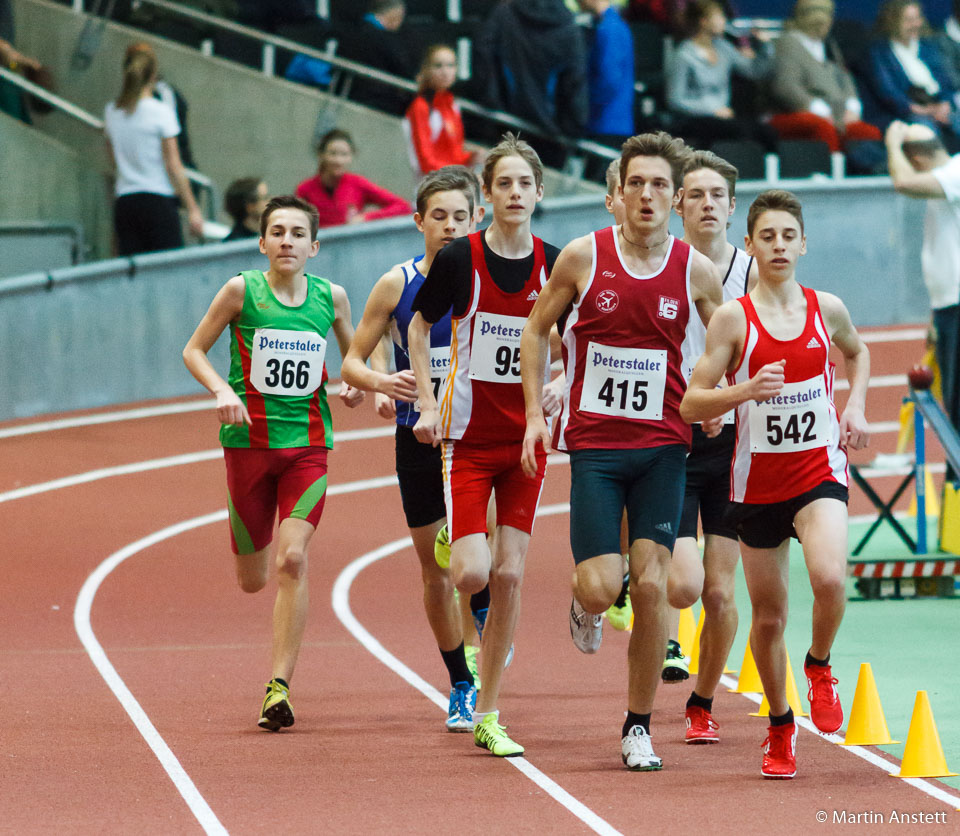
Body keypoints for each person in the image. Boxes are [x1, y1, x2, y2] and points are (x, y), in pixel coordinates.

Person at [520, 132, 723, 771]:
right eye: (637, 183)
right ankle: (585, 601)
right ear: (618, 193)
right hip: (597, 448)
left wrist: (718, 396)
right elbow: (535, 329)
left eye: (660, 185)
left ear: (676, 198)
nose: (647, 195)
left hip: (664, 446)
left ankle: (638, 726)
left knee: (655, 585)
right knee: (602, 586)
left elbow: (728, 338)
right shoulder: (583, 257)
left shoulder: (694, 269)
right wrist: (534, 415)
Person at [679, 188, 870, 778]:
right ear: (750, 245)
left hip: (817, 472)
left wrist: (856, 406)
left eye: (789, 236)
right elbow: (690, 403)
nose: (779, 246)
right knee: (768, 618)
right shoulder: (734, 318)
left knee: (830, 577)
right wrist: (743, 391)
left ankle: (819, 664)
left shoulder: (825, 308)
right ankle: (781, 726)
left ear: (804, 244)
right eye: (768, 236)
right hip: (757, 483)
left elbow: (858, 353)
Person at [182, 194, 364, 731]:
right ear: (262, 243)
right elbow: (193, 350)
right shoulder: (241, 290)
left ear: (314, 246)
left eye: (297, 233)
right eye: (278, 232)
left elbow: (355, 356)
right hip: (247, 448)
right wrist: (221, 390)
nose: (287, 241)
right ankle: (255, 560)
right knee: (252, 580)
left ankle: (278, 687)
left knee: (293, 559)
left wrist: (358, 384)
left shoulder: (332, 297)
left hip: (308, 448)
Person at [408, 134, 561, 757]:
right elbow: (419, 326)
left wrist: (559, 386)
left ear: (539, 193)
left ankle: (489, 712)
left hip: (526, 442)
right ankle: (457, 535)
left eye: (525, 184)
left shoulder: (556, 265)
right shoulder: (460, 259)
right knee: (471, 572)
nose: (515, 193)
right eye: (504, 184)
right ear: (487, 197)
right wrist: (425, 400)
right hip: (467, 440)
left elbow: (580, 341)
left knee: (509, 574)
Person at [340, 166, 489, 731]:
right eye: (439, 216)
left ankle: (484, 612)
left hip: (479, 435)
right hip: (420, 437)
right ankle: (460, 683)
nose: (450, 226)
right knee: (435, 570)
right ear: (419, 221)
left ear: (477, 219)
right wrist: (384, 382)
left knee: (485, 557)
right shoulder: (396, 284)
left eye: (460, 216)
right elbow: (352, 362)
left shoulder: (492, 278)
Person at [662, 150, 759, 737]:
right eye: (695, 195)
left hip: (731, 449)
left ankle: (702, 701)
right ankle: (637, 580)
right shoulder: (661, 265)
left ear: (731, 205)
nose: (706, 205)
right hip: (672, 439)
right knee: (683, 585)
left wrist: (728, 398)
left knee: (720, 594)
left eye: (716, 195)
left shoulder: (753, 274)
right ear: (679, 204)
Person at [885, 121, 960, 445]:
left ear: (915, 159)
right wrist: (935, 316)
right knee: (954, 403)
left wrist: (892, 143)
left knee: (958, 405)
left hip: (956, 307)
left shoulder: (956, 173)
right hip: (948, 307)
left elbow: (903, 183)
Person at [104, 47, 204, 256]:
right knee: (167, 268)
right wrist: (192, 208)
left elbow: (113, 160)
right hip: (158, 200)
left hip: (125, 201)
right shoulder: (161, 112)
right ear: (153, 75)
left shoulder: (112, 111)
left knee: (132, 269)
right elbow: (173, 165)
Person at [769, 0, 884, 162]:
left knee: (867, 132)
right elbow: (785, 86)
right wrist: (817, 109)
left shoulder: (829, 45)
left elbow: (844, 77)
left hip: (837, 113)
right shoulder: (788, 43)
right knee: (824, 128)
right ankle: (830, 171)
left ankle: (869, 171)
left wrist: (852, 106)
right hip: (797, 112)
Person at [665, 0, 777, 151]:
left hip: (723, 117)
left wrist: (765, 47)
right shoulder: (683, 55)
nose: (724, 21)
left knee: (766, 132)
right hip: (695, 117)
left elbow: (754, 71)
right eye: (720, 17)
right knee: (740, 131)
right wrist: (712, 110)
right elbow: (675, 100)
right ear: (704, 21)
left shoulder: (724, 48)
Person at [473, 0, 588, 141]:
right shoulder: (569, 26)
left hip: (506, 122)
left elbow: (483, 53)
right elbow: (575, 79)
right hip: (552, 132)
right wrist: (573, 125)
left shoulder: (504, 13)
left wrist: (491, 101)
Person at [862, 1, 960, 150]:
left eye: (917, 18)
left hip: (938, 107)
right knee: (924, 131)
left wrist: (944, 105)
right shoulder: (880, 53)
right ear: (893, 21)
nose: (915, 24)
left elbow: (946, 83)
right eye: (908, 20)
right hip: (906, 113)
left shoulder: (928, 47)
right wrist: (925, 111)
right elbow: (889, 93)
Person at [296, 128, 411, 228]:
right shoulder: (305, 190)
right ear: (321, 155)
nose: (338, 161)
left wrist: (366, 217)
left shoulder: (357, 183)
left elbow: (403, 206)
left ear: (351, 156)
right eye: (333, 154)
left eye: (344, 154)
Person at [403, 45, 478, 180]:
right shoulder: (421, 106)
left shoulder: (452, 105)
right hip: (429, 185)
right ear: (426, 70)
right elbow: (425, 162)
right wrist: (459, 173)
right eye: (438, 66)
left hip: (450, 181)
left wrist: (471, 157)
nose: (445, 72)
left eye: (450, 65)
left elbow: (455, 154)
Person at [577, 0, 635, 148]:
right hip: (612, 122)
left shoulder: (609, 29)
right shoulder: (613, 25)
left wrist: (583, 106)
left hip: (605, 123)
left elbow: (609, 81)